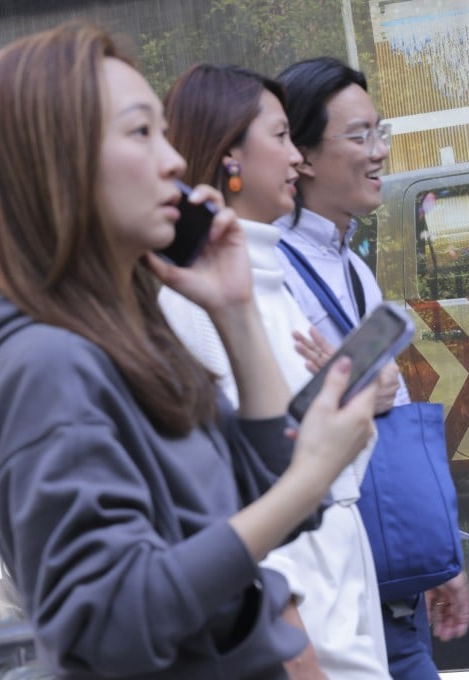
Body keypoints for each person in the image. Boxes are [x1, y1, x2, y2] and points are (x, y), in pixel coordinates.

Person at [0, 22, 378, 679]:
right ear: (57, 163)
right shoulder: (45, 365)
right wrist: (309, 479)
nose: (172, 161)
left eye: (164, 132)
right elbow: (111, 619)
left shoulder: (126, 336)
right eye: (140, 133)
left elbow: (266, 498)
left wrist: (235, 311)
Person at [158, 63, 394, 678]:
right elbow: (236, 486)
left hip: (339, 564)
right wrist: (289, 630)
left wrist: (351, 409)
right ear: (229, 153)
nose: (297, 158)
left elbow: (315, 454)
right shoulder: (194, 303)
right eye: (282, 137)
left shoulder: (267, 280)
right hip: (303, 590)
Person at [274, 56, 469, 679]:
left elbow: (392, 409)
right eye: (358, 137)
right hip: (336, 591)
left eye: (379, 132)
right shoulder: (271, 271)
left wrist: (442, 556)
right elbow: (278, 422)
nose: (378, 151)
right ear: (300, 155)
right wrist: (361, 391)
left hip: (394, 587)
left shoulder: (352, 265)